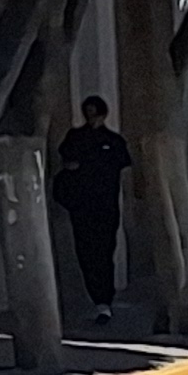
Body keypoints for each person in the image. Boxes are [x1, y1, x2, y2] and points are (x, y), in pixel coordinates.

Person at [51, 94, 136, 319]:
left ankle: (104, 299)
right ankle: (97, 297)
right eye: (88, 113)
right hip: (81, 205)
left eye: (95, 113)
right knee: (86, 252)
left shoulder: (113, 141)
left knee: (105, 251)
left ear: (103, 114)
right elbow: (65, 160)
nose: (91, 118)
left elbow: (125, 171)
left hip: (106, 205)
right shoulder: (76, 137)